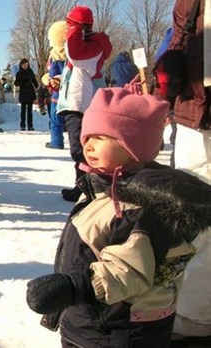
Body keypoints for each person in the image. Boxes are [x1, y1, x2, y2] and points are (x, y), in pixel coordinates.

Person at [26, 87, 211, 347]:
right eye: (87, 136)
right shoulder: (102, 187)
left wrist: (74, 287)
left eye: (100, 137)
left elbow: (129, 270)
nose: (87, 145)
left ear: (132, 145)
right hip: (94, 321)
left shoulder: (141, 207)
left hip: (119, 330)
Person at [158, 0, 211, 346]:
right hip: (198, 114)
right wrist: (165, 92)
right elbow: (178, 40)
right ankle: (192, 318)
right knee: (195, 220)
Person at [56, 5, 112, 202]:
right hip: (75, 104)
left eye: (69, 26)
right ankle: (82, 186)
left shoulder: (91, 48)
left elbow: (75, 52)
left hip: (81, 106)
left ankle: (90, 187)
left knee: (81, 150)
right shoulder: (87, 47)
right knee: (79, 149)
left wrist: (74, 30)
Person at [46, 20, 67, 150]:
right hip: (72, 92)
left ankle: (56, 141)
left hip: (57, 92)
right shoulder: (73, 53)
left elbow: (52, 74)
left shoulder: (55, 54)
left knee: (56, 118)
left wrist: (47, 79)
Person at [14, 58, 38, 131]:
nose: (26, 66)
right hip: (23, 93)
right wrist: (22, 82)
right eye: (24, 65)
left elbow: (34, 80)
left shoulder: (30, 72)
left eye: (27, 65)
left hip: (30, 92)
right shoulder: (19, 73)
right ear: (21, 65)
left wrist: (37, 87)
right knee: (23, 111)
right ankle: (23, 125)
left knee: (30, 111)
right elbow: (16, 83)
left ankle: (30, 125)